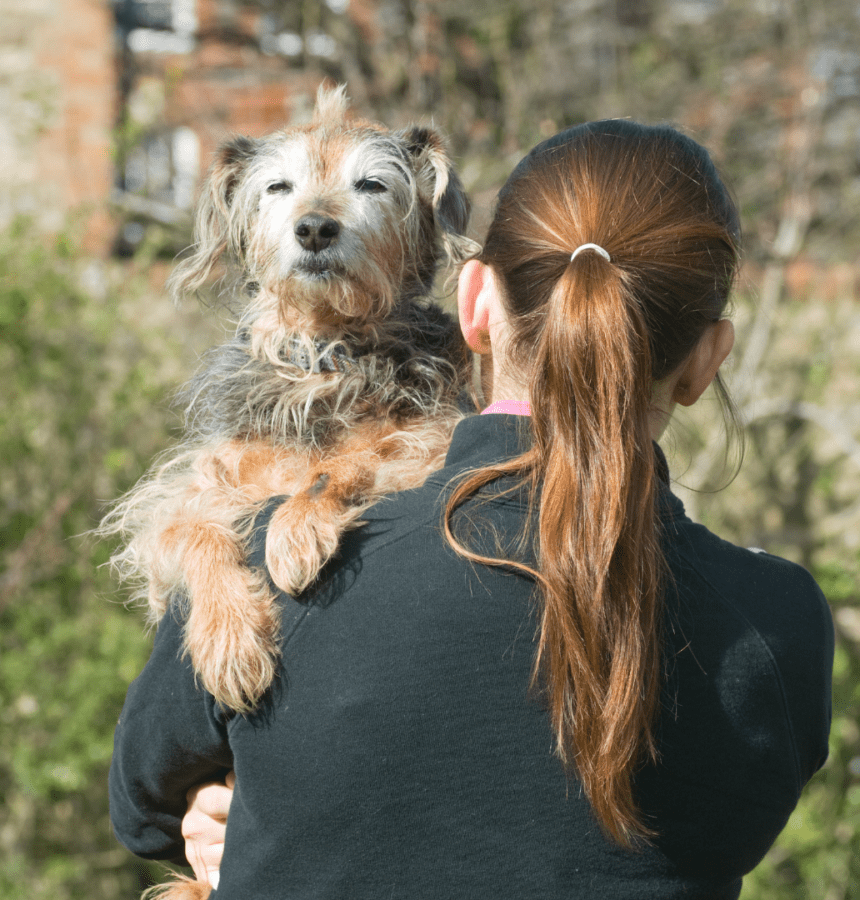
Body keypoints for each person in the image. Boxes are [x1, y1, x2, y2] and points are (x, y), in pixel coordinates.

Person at [110, 119, 834, 899]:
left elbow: (144, 807)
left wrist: (238, 811)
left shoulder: (275, 563)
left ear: (475, 306)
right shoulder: (776, 624)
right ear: (705, 360)